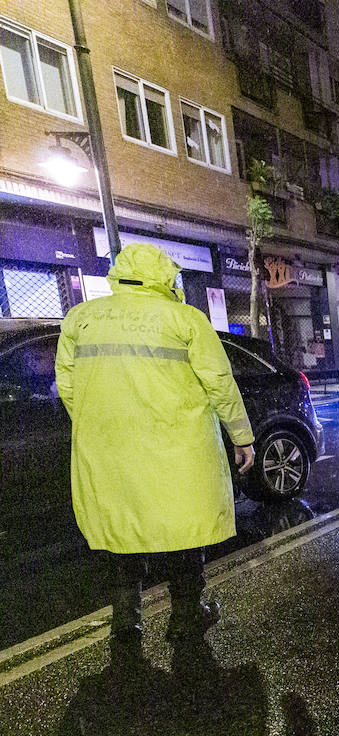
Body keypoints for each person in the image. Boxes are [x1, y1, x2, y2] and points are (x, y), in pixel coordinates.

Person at [55, 243, 256, 648]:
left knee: (120, 535)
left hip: (110, 455)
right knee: (181, 535)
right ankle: (185, 616)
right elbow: (220, 382)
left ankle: (126, 622)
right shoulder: (185, 320)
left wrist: (101, 427)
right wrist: (242, 436)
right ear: (165, 276)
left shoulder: (81, 319)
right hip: (175, 451)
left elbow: (68, 387)